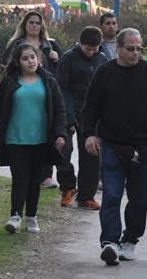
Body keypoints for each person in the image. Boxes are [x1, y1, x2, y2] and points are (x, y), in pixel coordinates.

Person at [81, 28, 147, 266]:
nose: (135, 53)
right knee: (112, 196)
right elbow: (90, 107)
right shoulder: (105, 73)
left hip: (143, 147)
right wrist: (89, 135)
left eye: (139, 49)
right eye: (130, 48)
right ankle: (110, 243)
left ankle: (130, 240)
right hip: (112, 145)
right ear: (118, 49)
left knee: (138, 201)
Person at [0, 43, 67, 233]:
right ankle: (15, 215)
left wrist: (60, 134)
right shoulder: (10, 82)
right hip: (16, 139)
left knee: (35, 180)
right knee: (19, 178)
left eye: (32, 57)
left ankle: (32, 216)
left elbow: (59, 110)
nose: (30, 61)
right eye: (25, 58)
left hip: (41, 140)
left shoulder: (48, 81)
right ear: (18, 62)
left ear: (39, 59)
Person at [2, 11, 64, 189]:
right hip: (23, 91)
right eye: (31, 22)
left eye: (38, 23)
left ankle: (46, 174)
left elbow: (62, 69)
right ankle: (22, 171)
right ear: (25, 24)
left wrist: (56, 59)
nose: (35, 26)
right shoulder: (16, 45)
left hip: (46, 92)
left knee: (46, 130)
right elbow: (7, 67)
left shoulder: (50, 46)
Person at [56, 26, 108, 209]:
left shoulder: (102, 59)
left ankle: (86, 195)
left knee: (91, 154)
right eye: (88, 49)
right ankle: (68, 186)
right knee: (64, 150)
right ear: (80, 43)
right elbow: (62, 89)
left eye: (95, 49)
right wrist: (68, 118)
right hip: (71, 110)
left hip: (92, 114)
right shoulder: (68, 59)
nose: (91, 52)